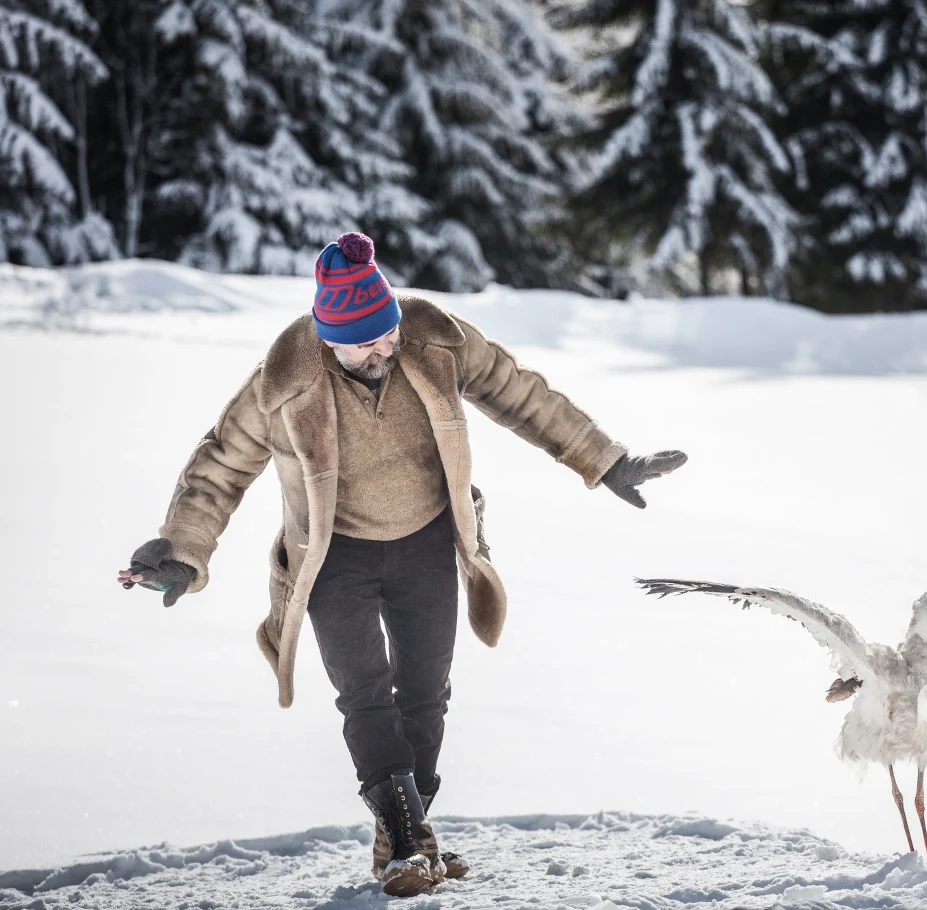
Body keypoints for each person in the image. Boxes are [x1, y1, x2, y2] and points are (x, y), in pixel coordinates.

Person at [116, 232, 686, 897]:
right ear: (329, 337)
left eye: (387, 330)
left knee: (426, 695)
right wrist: (183, 552)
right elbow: (218, 468)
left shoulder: (431, 337)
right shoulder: (283, 379)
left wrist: (606, 460)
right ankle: (409, 843)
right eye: (365, 340)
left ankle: (406, 838)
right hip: (333, 558)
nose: (384, 346)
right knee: (364, 694)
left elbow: (520, 393)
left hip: (424, 540)